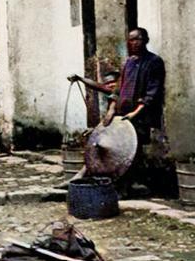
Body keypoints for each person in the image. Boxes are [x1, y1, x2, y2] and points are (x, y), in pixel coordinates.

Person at [68, 27, 168, 194]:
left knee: (132, 151)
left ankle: (126, 187)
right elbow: (118, 90)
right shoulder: (128, 62)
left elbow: (153, 92)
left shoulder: (154, 62)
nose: (134, 43)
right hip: (122, 113)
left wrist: (135, 113)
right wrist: (111, 111)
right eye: (131, 40)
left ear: (145, 40)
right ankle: (114, 183)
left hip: (140, 115)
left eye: (137, 39)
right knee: (112, 147)